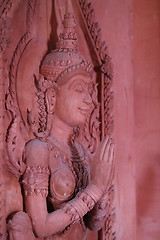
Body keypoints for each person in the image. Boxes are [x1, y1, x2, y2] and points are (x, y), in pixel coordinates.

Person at [7, 11, 114, 240]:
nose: (89, 100)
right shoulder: (39, 149)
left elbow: (94, 223)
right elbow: (41, 226)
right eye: (78, 89)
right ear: (52, 97)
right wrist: (94, 190)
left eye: (89, 91)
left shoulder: (82, 153)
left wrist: (102, 187)